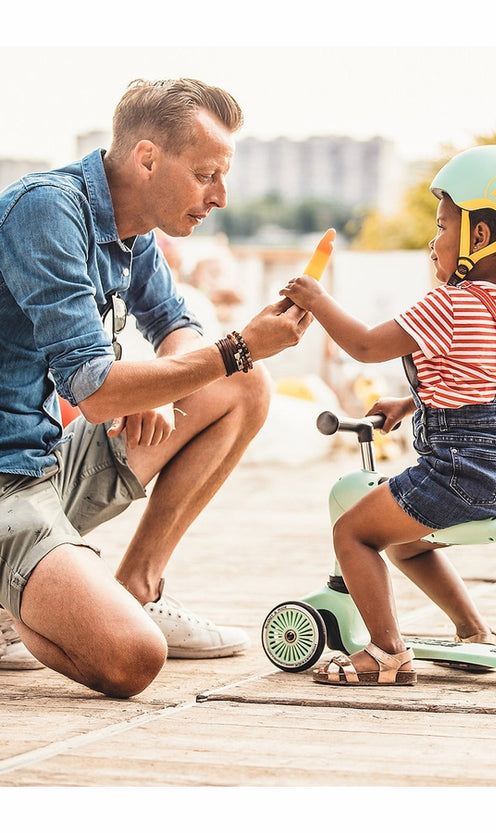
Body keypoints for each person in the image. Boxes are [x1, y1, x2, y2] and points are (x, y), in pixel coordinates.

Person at [0, 79, 311, 695]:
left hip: (44, 464)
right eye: (205, 174)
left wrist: (166, 389)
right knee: (133, 659)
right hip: (6, 484)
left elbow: (177, 326)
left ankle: (135, 588)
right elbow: (95, 392)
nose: (220, 196)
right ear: (147, 159)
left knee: (245, 386)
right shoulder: (46, 210)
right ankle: (25, 604)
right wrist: (237, 346)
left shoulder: (129, 227)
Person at [280, 145, 496, 686]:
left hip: (453, 475)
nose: (432, 240)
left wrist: (318, 300)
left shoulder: (445, 304)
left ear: (479, 239)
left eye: (442, 226)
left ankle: (387, 651)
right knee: (407, 545)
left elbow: (366, 347)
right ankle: (474, 631)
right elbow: (494, 390)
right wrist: (410, 402)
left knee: (354, 534)